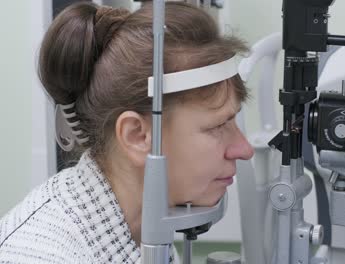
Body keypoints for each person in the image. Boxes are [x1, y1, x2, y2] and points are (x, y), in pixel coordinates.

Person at [0, 2, 253, 263]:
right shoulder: (41, 256)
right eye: (216, 127)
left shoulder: (145, 232)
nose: (244, 149)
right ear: (137, 136)